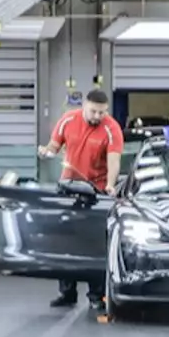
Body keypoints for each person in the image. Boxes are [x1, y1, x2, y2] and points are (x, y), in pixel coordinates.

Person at [39, 88, 124, 307]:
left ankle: (96, 296)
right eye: (94, 111)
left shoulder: (111, 128)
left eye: (102, 112)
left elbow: (114, 161)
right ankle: (67, 293)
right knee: (65, 240)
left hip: (95, 191)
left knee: (94, 243)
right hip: (68, 187)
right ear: (84, 106)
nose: (98, 116)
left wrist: (110, 186)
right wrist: (46, 152)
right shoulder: (68, 120)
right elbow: (54, 146)